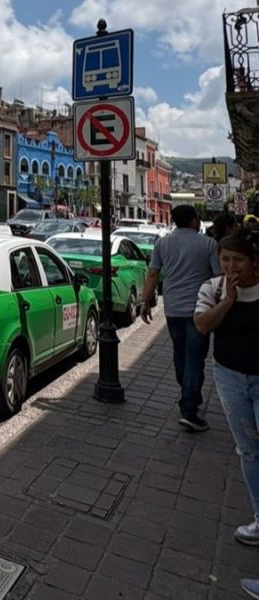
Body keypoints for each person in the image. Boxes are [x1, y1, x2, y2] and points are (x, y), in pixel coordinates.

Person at [193, 235, 259, 569]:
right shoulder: (214, 289)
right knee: (248, 450)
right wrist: (228, 301)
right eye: (226, 259)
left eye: (238, 260)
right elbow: (202, 326)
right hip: (230, 378)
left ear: (253, 261)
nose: (231, 266)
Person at [140, 205, 221, 431]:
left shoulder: (162, 243)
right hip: (200, 311)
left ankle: (188, 394)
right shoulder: (209, 245)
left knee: (180, 353)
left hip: (173, 308)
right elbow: (218, 277)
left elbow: (153, 273)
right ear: (195, 220)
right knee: (195, 358)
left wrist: (145, 302)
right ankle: (189, 408)